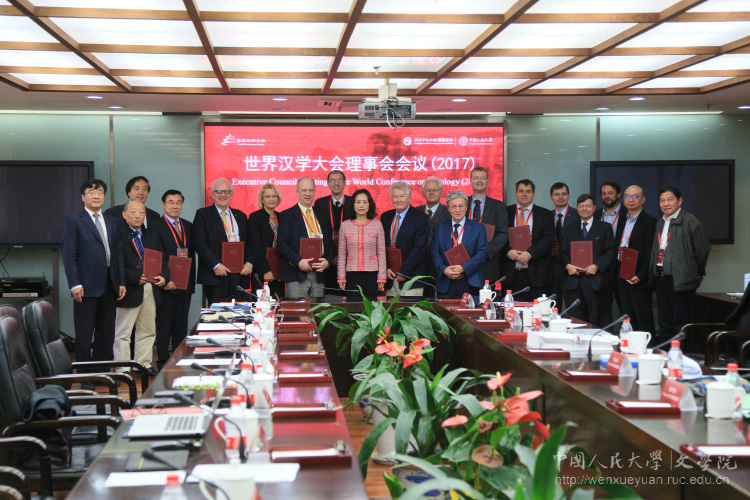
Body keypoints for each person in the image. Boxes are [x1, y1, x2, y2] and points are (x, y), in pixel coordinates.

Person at [61, 179, 126, 379]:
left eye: (100, 193)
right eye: (91, 192)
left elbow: (118, 254)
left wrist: (121, 281)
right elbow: (69, 255)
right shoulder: (74, 220)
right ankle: (84, 377)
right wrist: (75, 284)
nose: (96, 196)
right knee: (84, 334)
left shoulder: (112, 221)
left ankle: (102, 375)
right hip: (85, 286)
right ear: (83, 197)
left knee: (106, 334)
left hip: (110, 283)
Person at [648, 186, 711, 344]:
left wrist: (691, 271)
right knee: (664, 322)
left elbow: (703, 251)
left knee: (679, 323)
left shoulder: (690, 221)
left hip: (681, 281)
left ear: (680, 201)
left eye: (670, 199)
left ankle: (679, 355)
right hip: (662, 278)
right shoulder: (660, 222)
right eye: (662, 200)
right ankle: (664, 354)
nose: (666, 204)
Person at [113, 201, 168, 377]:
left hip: (151, 288)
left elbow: (163, 259)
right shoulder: (117, 234)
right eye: (133, 212)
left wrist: (164, 276)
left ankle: (143, 365)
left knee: (147, 330)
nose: (137, 216)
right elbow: (115, 263)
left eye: (141, 213)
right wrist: (133, 277)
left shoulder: (152, 235)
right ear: (124, 214)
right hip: (128, 289)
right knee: (123, 332)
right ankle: (123, 368)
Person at [152, 189, 195, 370]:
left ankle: (179, 359)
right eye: (171, 202)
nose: (175, 206)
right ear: (163, 204)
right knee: (164, 325)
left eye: (178, 202)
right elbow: (156, 256)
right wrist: (165, 278)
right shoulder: (155, 226)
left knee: (181, 325)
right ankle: (163, 362)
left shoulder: (188, 226)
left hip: (185, 284)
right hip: (166, 284)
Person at [193, 178, 254, 305]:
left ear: (231, 194)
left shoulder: (240, 216)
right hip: (215, 275)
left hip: (239, 275)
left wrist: (249, 263)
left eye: (226, 192)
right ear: (213, 194)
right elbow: (200, 243)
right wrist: (216, 265)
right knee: (218, 314)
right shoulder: (203, 214)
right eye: (219, 192)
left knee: (239, 312)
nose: (223, 195)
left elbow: (249, 244)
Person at [560, 194, 616, 327]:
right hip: (575, 282)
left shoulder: (605, 227)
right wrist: (568, 265)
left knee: (600, 322)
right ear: (577, 208)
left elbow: (610, 252)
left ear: (594, 208)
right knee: (576, 323)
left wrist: (597, 265)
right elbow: (563, 252)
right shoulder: (569, 228)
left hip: (596, 282)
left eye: (588, 206)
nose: (584, 209)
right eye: (581, 206)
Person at [276, 177, 333, 300]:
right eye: (304, 190)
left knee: (319, 310)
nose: (308, 194)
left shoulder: (322, 214)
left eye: (311, 190)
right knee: (298, 310)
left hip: (319, 274)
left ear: (315, 192)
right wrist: (298, 261)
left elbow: (330, 242)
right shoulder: (287, 215)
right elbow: (281, 244)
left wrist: (328, 261)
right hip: (297, 274)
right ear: (297, 192)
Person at [501, 179, 554, 302]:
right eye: (521, 191)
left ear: (533, 194)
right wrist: (507, 251)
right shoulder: (504, 212)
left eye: (528, 191)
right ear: (515, 193)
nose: (524, 194)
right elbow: (498, 236)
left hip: (537, 275)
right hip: (510, 274)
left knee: (537, 311)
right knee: (510, 310)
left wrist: (530, 254)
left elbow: (548, 239)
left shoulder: (545, 214)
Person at [614, 185, 657, 334]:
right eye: (627, 196)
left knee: (642, 316)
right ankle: (628, 345)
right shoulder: (622, 220)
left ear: (643, 199)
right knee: (626, 316)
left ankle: (647, 346)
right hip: (621, 273)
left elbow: (650, 252)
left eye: (635, 196)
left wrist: (642, 274)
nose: (630, 200)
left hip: (638, 277)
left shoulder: (650, 222)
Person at [431, 191, 488, 299]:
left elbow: (481, 254)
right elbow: (435, 253)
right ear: (448, 208)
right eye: (454, 206)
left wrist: (463, 268)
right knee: (443, 310)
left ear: (466, 207)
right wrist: (444, 269)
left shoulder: (478, 228)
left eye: (461, 206)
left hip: (469, 281)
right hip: (445, 281)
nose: (457, 210)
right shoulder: (439, 228)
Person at [380, 181, 430, 297]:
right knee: (390, 309)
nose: (398, 200)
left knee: (409, 309)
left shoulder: (420, 218)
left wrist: (404, 272)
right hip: (390, 278)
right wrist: (386, 268)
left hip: (411, 279)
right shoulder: (385, 217)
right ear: (391, 198)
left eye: (402, 196)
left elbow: (419, 249)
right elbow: (381, 246)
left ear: (409, 197)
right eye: (395, 196)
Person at [337, 189, 386, 301]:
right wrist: (341, 277)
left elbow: (381, 253)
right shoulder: (345, 225)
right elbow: (342, 254)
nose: (361, 205)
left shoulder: (377, 225)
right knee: (353, 307)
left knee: (371, 307)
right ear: (353, 205)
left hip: (372, 274)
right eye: (358, 202)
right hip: (352, 274)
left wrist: (382, 277)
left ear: (369, 205)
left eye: (365, 202)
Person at [313, 170, 352, 299]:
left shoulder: (353, 202)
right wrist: (330, 258)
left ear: (344, 183)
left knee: (349, 300)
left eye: (339, 180)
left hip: (348, 261)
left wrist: (342, 257)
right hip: (326, 261)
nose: (336, 183)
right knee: (328, 300)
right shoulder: (320, 203)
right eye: (333, 180)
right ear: (328, 184)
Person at [467, 167, 509, 286]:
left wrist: (483, 253)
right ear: (470, 181)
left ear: (488, 181)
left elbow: (503, 234)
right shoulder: (462, 204)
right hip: (464, 262)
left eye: (483, 178)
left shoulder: (499, 206)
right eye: (476, 178)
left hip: (489, 263)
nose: (479, 181)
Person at [593, 181, 627, 325]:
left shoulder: (628, 214)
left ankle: (627, 336)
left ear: (618, 194)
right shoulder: (595, 215)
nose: (607, 196)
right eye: (604, 193)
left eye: (610, 193)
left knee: (626, 308)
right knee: (602, 310)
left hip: (621, 267)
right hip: (601, 268)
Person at [248, 184, 285, 299]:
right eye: (268, 196)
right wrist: (266, 270)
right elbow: (255, 247)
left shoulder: (282, 217)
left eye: (274, 196)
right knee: (262, 304)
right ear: (262, 199)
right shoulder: (255, 217)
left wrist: (283, 271)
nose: (271, 199)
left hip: (279, 271)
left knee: (278, 304)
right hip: (262, 271)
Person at [416, 177, 450, 299]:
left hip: (441, 266)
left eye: (435, 190)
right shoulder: (415, 212)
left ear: (441, 192)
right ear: (423, 193)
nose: (431, 193)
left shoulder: (449, 212)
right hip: (419, 266)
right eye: (428, 190)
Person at [549, 182, 580, 309]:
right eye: (557, 194)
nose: (561, 197)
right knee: (552, 306)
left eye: (564, 194)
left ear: (568, 196)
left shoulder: (578, 215)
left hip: (571, 267)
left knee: (573, 307)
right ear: (551, 197)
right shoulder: (547, 215)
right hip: (551, 267)